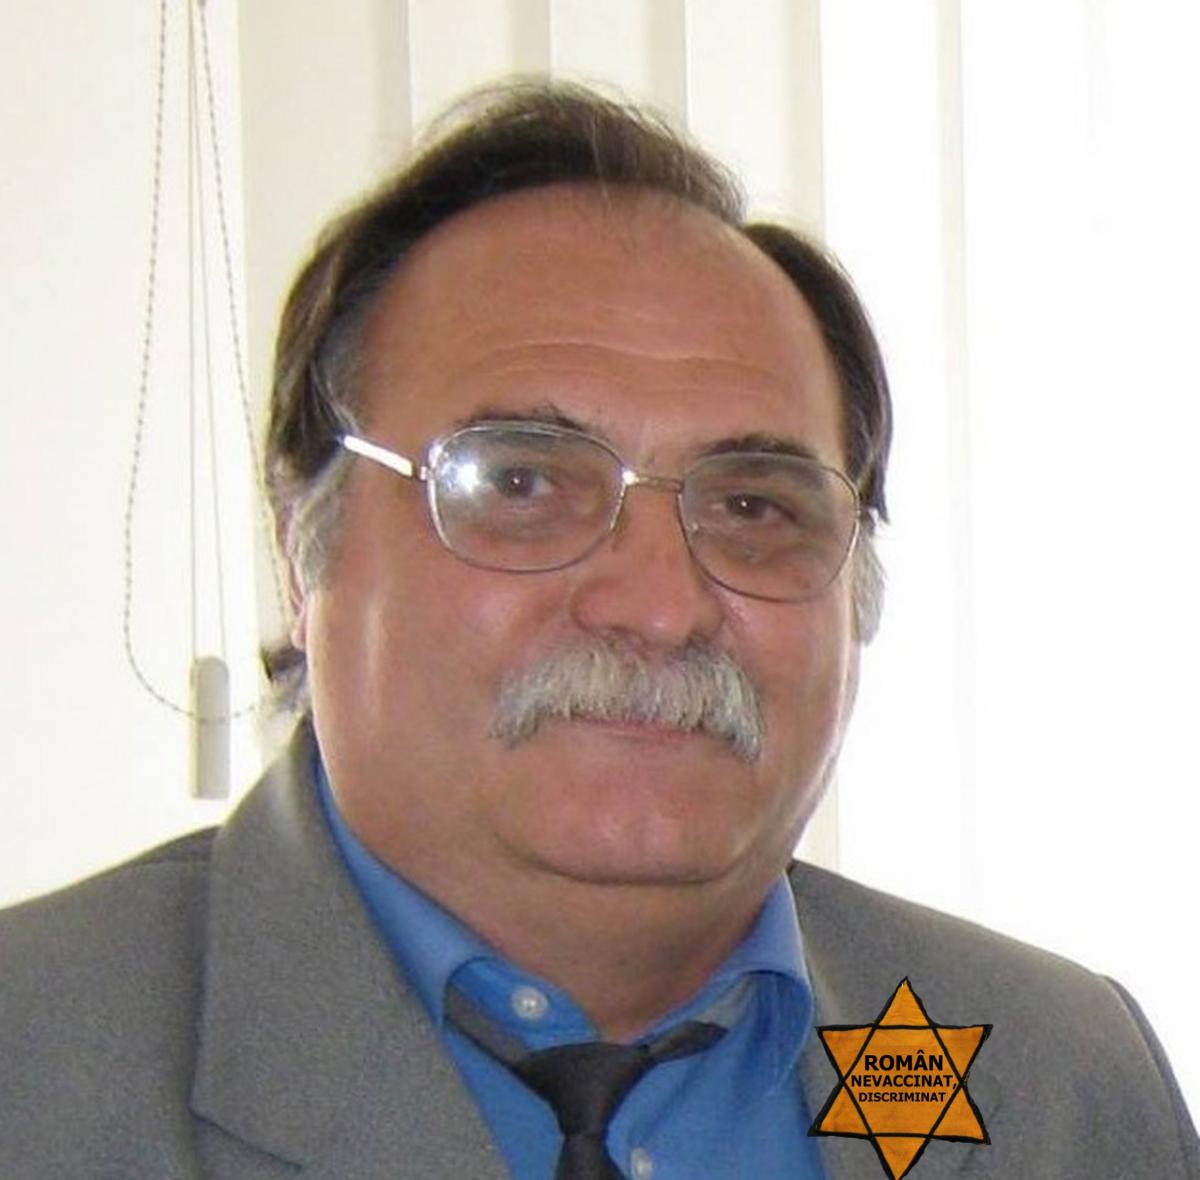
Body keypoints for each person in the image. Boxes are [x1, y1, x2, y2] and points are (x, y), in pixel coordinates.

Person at [1, 80, 1195, 1180]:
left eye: (753, 506)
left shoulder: (1061, 1077)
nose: (661, 604)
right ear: (301, 546)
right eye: (519, 483)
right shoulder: (35, 1069)